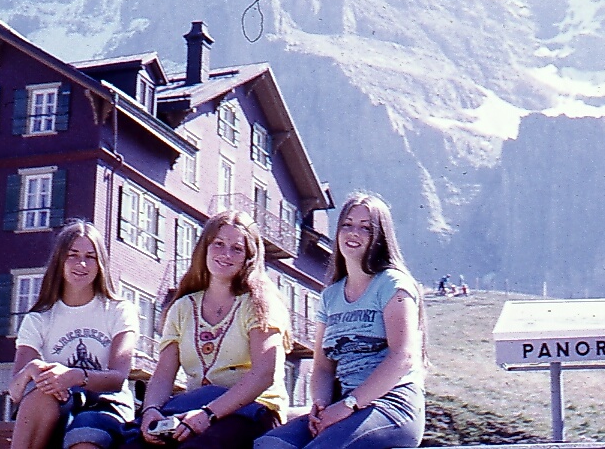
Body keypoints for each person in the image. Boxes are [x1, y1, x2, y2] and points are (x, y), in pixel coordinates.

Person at [255, 192, 426, 449]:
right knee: (269, 444)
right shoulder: (331, 295)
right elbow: (323, 367)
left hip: (392, 406)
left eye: (365, 227)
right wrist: (321, 406)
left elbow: (403, 357)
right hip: (342, 405)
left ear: (381, 237)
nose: (353, 233)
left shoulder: (393, 284)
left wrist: (349, 405)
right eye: (347, 224)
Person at [131, 210, 290, 449]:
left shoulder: (260, 304)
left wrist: (209, 413)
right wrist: (151, 410)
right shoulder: (183, 307)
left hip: (252, 410)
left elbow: (264, 373)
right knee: (131, 444)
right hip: (195, 410)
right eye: (218, 244)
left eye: (237, 249)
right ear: (204, 248)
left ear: (249, 257)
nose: (226, 254)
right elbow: (163, 374)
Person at [9, 220, 138, 449]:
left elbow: (118, 377)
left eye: (90, 256)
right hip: (59, 401)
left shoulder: (119, 310)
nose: (82, 263)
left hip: (106, 405)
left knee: (85, 434)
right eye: (73, 255)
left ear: (100, 263)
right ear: (59, 260)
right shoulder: (39, 318)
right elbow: (15, 392)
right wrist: (31, 370)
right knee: (39, 391)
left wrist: (74, 376)